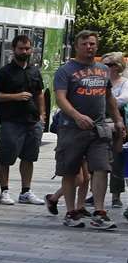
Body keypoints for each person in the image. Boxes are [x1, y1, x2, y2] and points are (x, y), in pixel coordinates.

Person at [53, 29, 124, 230]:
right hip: (71, 129)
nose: (89, 47)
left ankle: (100, 212)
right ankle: (71, 212)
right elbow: (60, 98)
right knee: (70, 171)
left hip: (99, 128)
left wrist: (118, 120)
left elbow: (108, 98)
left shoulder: (103, 70)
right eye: (84, 44)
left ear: (97, 46)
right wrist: (76, 115)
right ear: (77, 46)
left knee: (102, 168)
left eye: (92, 44)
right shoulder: (65, 71)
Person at [0, 34, 46, 206]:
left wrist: (42, 115)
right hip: (11, 121)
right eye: (21, 48)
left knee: (29, 157)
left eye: (27, 48)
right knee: (6, 157)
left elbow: (39, 94)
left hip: (32, 121)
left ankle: (26, 191)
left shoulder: (34, 71)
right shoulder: (3, 73)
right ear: (13, 50)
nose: (25, 51)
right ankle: (4, 191)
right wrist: (15, 96)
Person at [107, 53, 128, 208]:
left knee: (117, 161)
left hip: (118, 124)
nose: (104, 68)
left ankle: (116, 196)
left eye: (108, 65)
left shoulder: (124, 83)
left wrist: (104, 101)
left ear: (117, 66)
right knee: (97, 161)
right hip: (99, 122)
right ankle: (95, 193)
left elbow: (122, 101)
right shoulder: (98, 81)